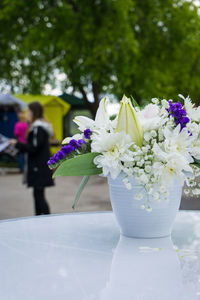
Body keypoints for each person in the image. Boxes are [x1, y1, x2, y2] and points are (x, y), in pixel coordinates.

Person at [10, 102, 54, 215]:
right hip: (39, 167)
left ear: (34, 112)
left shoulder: (38, 128)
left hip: (38, 168)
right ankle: (39, 220)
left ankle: (46, 221)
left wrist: (17, 144)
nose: (26, 113)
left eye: (28, 111)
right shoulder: (38, 127)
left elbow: (34, 148)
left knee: (39, 196)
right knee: (38, 195)